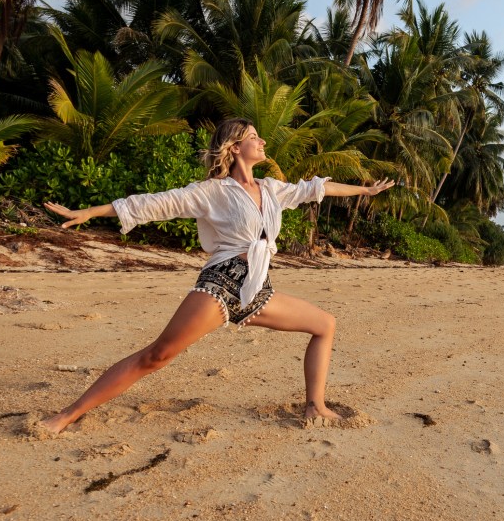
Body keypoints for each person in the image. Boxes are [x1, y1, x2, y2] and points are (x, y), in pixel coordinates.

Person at [40, 118, 394, 433]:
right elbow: (152, 203)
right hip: (222, 284)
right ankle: (69, 414)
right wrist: (88, 211)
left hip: (258, 290)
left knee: (325, 324)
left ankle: (315, 405)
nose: (263, 142)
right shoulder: (212, 191)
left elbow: (315, 189)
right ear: (236, 146)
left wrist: (366, 190)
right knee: (157, 356)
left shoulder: (272, 189)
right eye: (255, 137)